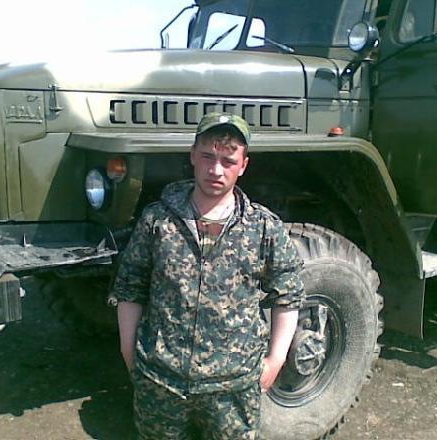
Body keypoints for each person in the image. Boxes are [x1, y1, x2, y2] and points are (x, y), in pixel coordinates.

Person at [112, 112, 304, 439]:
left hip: (233, 389)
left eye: (228, 161)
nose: (216, 170)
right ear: (192, 156)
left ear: (243, 165)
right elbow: (130, 288)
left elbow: (288, 295)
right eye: (207, 157)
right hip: (162, 383)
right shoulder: (157, 220)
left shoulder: (263, 227)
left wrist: (276, 359)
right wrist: (129, 352)